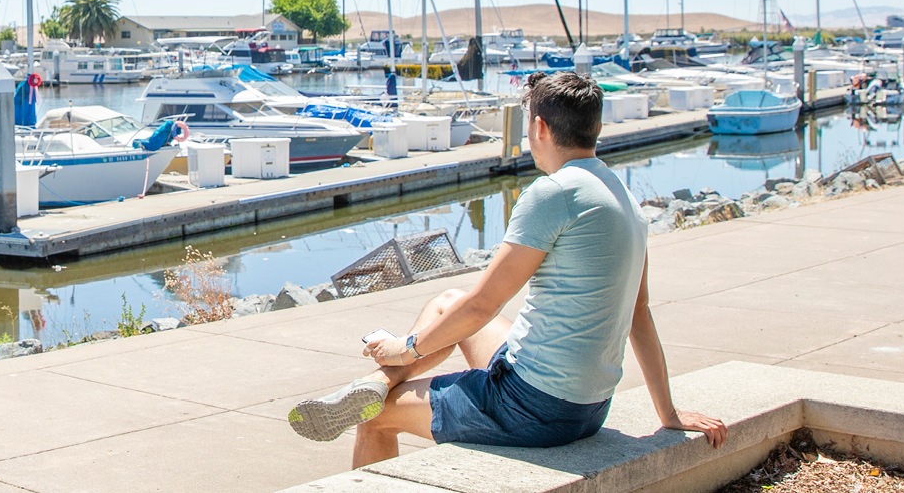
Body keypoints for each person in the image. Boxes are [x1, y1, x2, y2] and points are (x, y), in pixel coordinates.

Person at [287, 71, 727, 467]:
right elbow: (640, 314)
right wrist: (668, 414)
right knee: (447, 301)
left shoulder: (552, 193)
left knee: (377, 418)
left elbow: (484, 306)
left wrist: (406, 348)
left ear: (538, 127)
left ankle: (378, 389)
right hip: (590, 407)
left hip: (532, 408)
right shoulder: (624, 198)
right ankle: (376, 381)